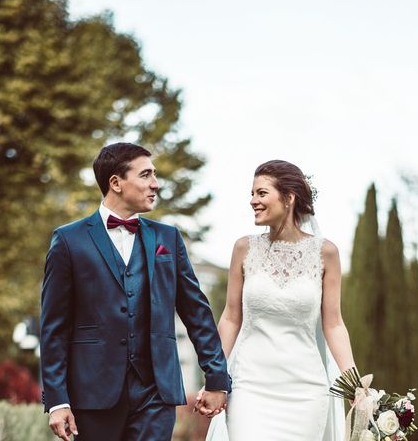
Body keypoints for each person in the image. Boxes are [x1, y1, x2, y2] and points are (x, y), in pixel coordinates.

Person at [40, 142, 231, 441]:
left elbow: (196, 312)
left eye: (154, 175)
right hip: (92, 394)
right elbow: (53, 327)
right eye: (145, 175)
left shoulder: (168, 238)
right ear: (115, 182)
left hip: (156, 392)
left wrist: (217, 377)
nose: (155, 184)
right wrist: (57, 399)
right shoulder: (68, 241)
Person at [205, 160, 354, 440]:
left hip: (305, 389)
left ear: (288, 197)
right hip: (250, 385)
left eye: (261, 193)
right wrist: (215, 377)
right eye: (251, 194)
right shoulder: (243, 248)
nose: (252, 201)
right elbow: (230, 317)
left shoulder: (326, 253)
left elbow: (333, 325)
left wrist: (355, 384)